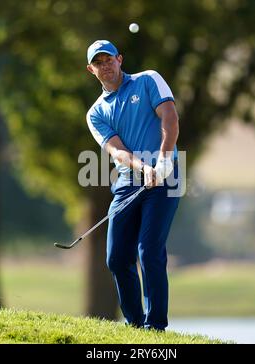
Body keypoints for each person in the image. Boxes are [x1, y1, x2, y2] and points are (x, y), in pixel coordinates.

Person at [86, 40, 180, 331]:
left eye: (109, 59)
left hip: (166, 177)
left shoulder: (148, 80)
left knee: (149, 250)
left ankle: (155, 327)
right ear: (91, 69)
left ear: (120, 59)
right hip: (128, 182)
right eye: (98, 63)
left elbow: (170, 117)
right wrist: (143, 168)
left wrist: (163, 161)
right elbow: (116, 151)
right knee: (116, 258)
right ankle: (135, 325)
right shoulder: (96, 112)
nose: (106, 66)